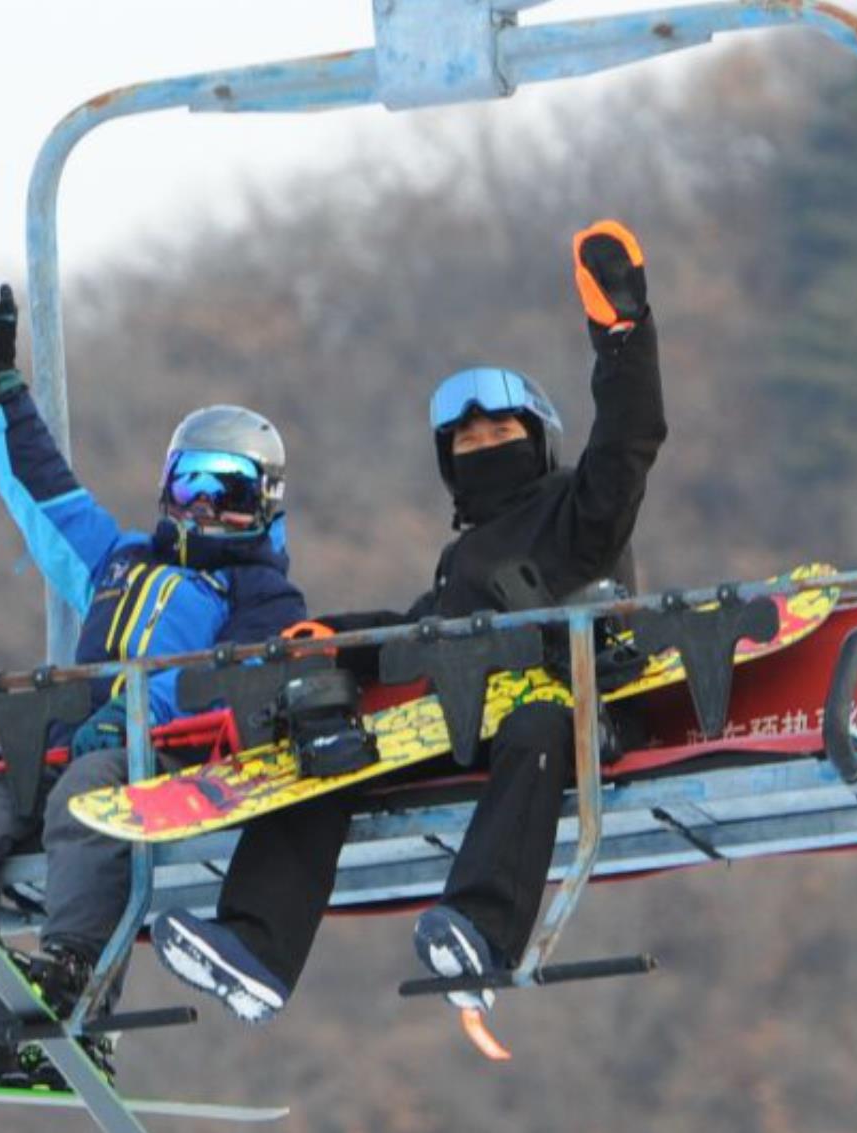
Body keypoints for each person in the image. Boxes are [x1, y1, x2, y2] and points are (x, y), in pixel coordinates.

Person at [144, 219, 667, 1023]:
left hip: (568, 703)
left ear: (538, 443)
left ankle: (481, 933)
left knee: (535, 720)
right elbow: (424, 631)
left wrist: (623, 336)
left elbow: (629, 440)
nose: (483, 446)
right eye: (467, 439)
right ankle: (255, 947)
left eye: (500, 432)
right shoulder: (464, 560)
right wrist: (336, 640)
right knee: (330, 752)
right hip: (459, 711)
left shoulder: (579, 514)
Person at [0, 284, 307, 1083]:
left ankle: (74, 974)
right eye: (189, 483)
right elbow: (46, 495)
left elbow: (233, 687)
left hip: (170, 768)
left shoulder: (259, 595)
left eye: (226, 489)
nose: (203, 506)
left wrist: (139, 721)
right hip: (63, 758)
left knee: (91, 788)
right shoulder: (121, 562)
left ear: (262, 503)